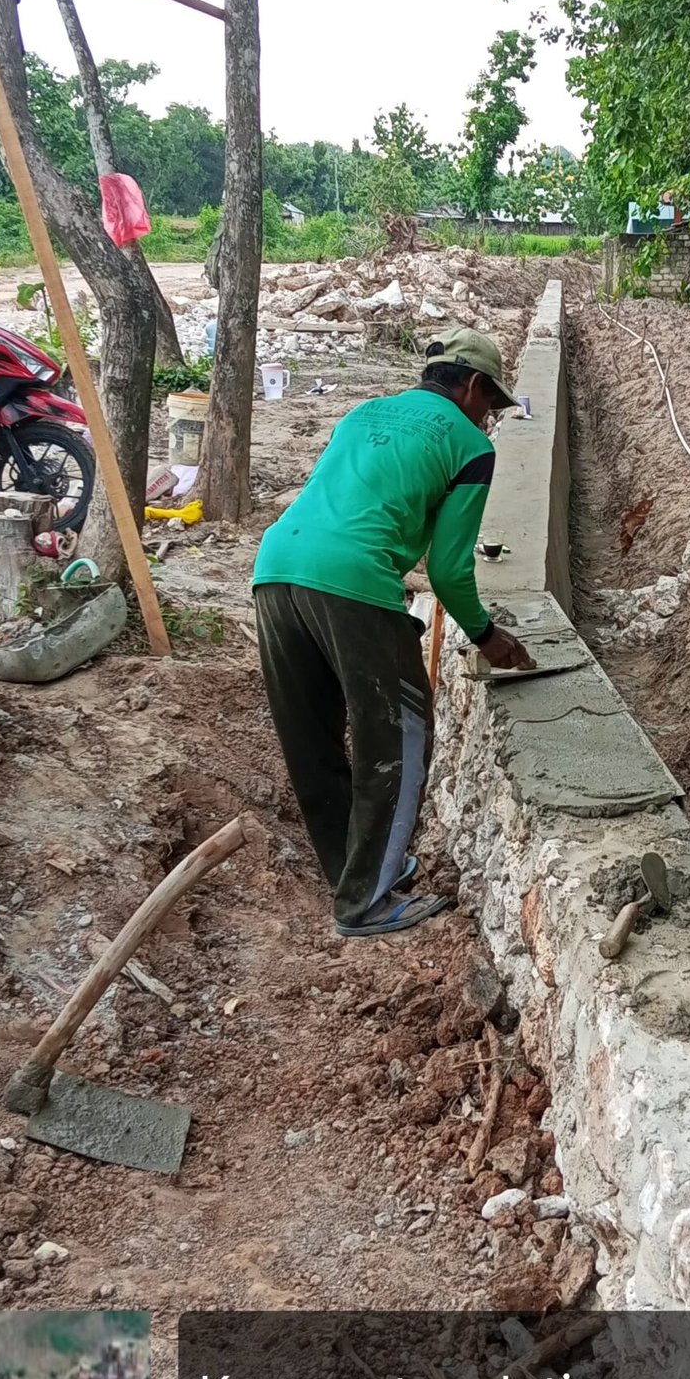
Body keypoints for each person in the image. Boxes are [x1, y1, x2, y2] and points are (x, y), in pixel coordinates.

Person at [252, 327, 533, 937]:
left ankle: (349, 874)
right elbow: (450, 572)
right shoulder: (468, 443)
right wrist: (489, 637)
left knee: (312, 738)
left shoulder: (364, 412)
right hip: (356, 584)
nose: (489, 418)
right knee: (399, 738)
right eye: (490, 403)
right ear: (474, 385)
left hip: (275, 569)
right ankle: (369, 900)